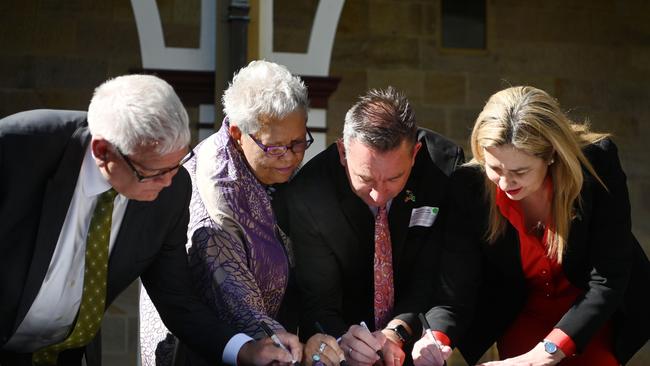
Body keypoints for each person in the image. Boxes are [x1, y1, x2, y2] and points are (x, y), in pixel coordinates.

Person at [0, 74, 302, 366]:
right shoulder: (16, 149)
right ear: (103, 152)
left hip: (62, 353)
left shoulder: (173, 188)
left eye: (175, 167)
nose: (169, 183)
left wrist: (245, 350)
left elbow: (176, 299)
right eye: (155, 172)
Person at [412, 86, 650, 366]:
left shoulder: (597, 165)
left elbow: (609, 275)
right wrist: (437, 336)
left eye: (520, 172)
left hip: (593, 309)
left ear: (551, 155)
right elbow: (457, 284)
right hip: (521, 309)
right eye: (495, 169)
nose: (504, 183)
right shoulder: (469, 186)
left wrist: (545, 353)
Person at [139, 61, 345, 366]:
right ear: (237, 133)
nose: (290, 157)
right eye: (275, 148)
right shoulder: (217, 195)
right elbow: (235, 303)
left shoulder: (270, 170)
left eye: (299, 142)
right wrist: (293, 349)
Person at [283, 87, 464, 366]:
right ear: (343, 152)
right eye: (366, 178)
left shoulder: (444, 168)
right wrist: (345, 340)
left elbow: (440, 272)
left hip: (422, 340)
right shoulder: (309, 193)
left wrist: (398, 330)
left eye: (394, 178)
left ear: (415, 153)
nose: (379, 195)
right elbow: (318, 300)